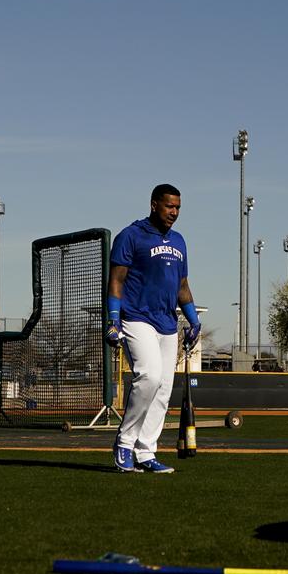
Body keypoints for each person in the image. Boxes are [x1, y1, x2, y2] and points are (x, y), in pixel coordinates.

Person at [106, 183, 199, 474]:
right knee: (149, 376)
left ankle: (146, 451)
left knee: (162, 389)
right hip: (136, 317)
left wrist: (194, 320)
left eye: (178, 207)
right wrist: (112, 319)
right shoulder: (130, 236)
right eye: (169, 206)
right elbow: (117, 280)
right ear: (154, 204)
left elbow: (182, 286)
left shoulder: (180, 241)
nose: (174, 212)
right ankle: (124, 442)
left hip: (167, 322)